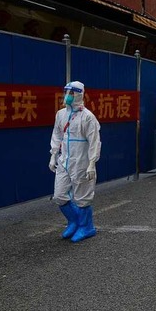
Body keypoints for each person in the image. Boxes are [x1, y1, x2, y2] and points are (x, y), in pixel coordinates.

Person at [49, 81, 101, 243]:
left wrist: (92, 163)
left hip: (81, 162)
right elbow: (57, 135)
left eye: (72, 93)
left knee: (82, 197)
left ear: (79, 94)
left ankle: (87, 227)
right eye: (66, 92)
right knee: (59, 195)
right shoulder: (61, 114)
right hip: (64, 160)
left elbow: (94, 142)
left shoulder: (88, 117)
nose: (68, 96)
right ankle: (74, 221)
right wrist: (53, 155)